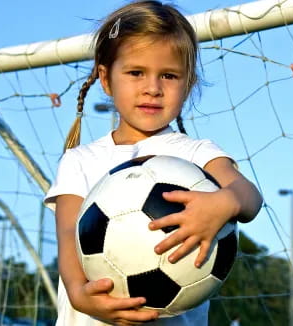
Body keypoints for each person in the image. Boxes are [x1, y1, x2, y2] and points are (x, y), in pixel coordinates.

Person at [44, 1, 263, 325]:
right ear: (105, 78)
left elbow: (250, 197)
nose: (152, 88)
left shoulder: (197, 155)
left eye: (169, 76)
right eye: (136, 73)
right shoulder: (80, 160)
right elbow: (67, 230)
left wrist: (225, 202)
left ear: (187, 83)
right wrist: (79, 293)